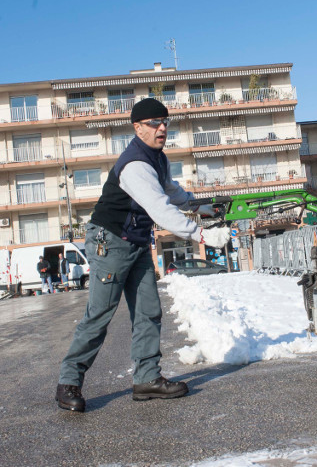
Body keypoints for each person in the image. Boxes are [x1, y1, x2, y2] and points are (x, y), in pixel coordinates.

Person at [56, 98, 230, 412]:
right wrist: (203, 235)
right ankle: (69, 381)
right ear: (137, 128)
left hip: (136, 243)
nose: (162, 128)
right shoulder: (135, 164)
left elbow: (173, 193)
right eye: (154, 123)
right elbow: (161, 210)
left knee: (148, 311)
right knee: (99, 315)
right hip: (109, 243)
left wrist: (204, 206)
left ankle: (147, 378)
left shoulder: (157, 158)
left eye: (165, 121)